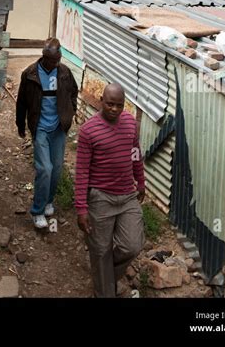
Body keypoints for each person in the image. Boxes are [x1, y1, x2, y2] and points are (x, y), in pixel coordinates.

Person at [75, 83, 145, 298]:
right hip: (100, 198)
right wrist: (81, 208)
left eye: (119, 105)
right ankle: (104, 291)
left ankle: (105, 275)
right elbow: (82, 171)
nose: (114, 109)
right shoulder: (89, 130)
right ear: (101, 100)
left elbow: (135, 154)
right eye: (110, 104)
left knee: (132, 245)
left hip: (126, 195)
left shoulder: (130, 123)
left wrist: (140, 181)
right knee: (101, 250)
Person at [16, 38, 78, 229]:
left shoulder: (65, 73)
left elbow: (73, 93)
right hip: (41, 128)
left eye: (57, 60)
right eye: (51, 60)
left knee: (57, 168)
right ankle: (37, 211)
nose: (54, 64)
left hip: (58, 128)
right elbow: (22, 102)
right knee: (45, 169)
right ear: (44, 57)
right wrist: (20, 125)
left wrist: (70, 112)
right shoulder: (30, 74)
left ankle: (48, 200)